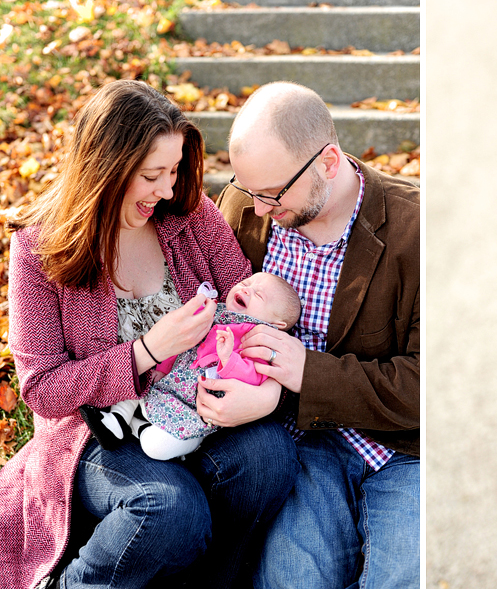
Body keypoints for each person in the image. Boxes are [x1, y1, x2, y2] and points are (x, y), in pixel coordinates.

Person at [0, 80, 298, 589]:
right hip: (96, 433)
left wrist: (267, 391)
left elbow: (248, 312)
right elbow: (43, 389)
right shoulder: (41, 248)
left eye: (175, 170)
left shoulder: (192, 218)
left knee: (269, 457)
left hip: (195, 417)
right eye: (150, 175)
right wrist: (147, 350)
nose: (166, 189)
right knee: (168, 506)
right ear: (105, 170)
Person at [204, 81, 420, 588]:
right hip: (303, 445)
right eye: (247, 189)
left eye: (273, 193)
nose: (258, 208)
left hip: (407, 450)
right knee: (290, 579)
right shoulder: (245, 209)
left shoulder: (416, 230)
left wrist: (307, 371)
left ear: (328, 161)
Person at [81, 272, 303, 461]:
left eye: (259, 295)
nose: (247, 289)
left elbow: (253, 378)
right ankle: (115, 421)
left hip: (193, 410)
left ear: (276, 325)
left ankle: (137, 428)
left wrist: (229, 360)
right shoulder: (214, 311)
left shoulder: (260, 340)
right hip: (167, 381)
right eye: (247, 283)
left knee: (156, 447)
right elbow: (180, 342)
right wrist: (162, 365)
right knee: (137, 381)